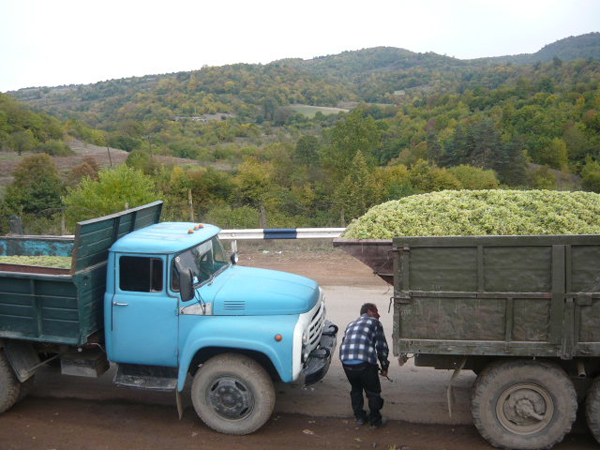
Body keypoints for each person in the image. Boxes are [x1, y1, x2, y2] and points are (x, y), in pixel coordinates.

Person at [339, 302, 390, 428]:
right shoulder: (374, 322)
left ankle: (360, 418)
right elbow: (381, 347)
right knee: (373, 392)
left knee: (356, 389)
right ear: (370, 311)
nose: (379, 315)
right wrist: (384, 367)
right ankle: (375, 421)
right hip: (364, 363)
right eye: (376, 312)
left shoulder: (351, 324)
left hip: (346, 362)